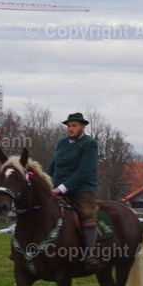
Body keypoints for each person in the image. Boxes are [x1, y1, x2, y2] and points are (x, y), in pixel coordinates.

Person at [46, 112, 101, 271]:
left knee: (87, 214)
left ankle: (90, 253)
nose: (70, 129)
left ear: (83, 127)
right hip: (56, 188)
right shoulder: (61, 142)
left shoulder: (89, 144)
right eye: (69, 126)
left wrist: (61, 189)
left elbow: (84, 171)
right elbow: (52, 167)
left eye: (74, 125)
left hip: (81, 190)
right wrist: (45, 183)